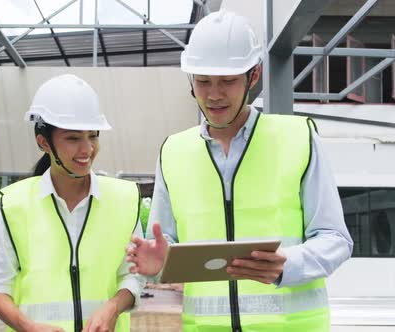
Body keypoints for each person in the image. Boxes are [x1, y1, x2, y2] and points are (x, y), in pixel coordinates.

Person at [126, 10, 353, 332]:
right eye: (203, 82)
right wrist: (157, 264)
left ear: (255, 74)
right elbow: (166, 243)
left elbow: (335, 238)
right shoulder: (173, 151)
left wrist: (288, 264)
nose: (214, 94)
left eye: (228, 81)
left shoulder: (298, 137)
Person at [0, 74, 145, 332]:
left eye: (92, 136)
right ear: (44, 143)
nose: (87, 149)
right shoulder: (13, 204)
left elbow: (133, 275)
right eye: (73, 138)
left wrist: (113, 307)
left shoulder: (125, 200)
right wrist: (27, 326)